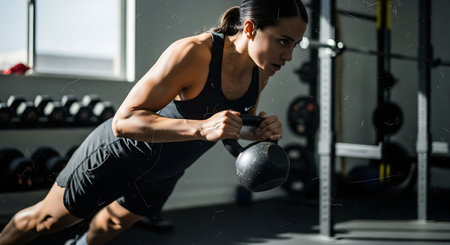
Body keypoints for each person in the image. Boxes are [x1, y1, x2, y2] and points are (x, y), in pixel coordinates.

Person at [0, 0, 308, 244]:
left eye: (295, 44)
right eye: (283, 41)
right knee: (47, 221)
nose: (289, 56)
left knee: (114, 223)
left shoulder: (261, 70)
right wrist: (201, 128)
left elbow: (231, 127)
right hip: (120, 154)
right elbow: (125, 121)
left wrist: (259, 131)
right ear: (251, 28)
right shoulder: (194, 52)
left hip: (165, 172)